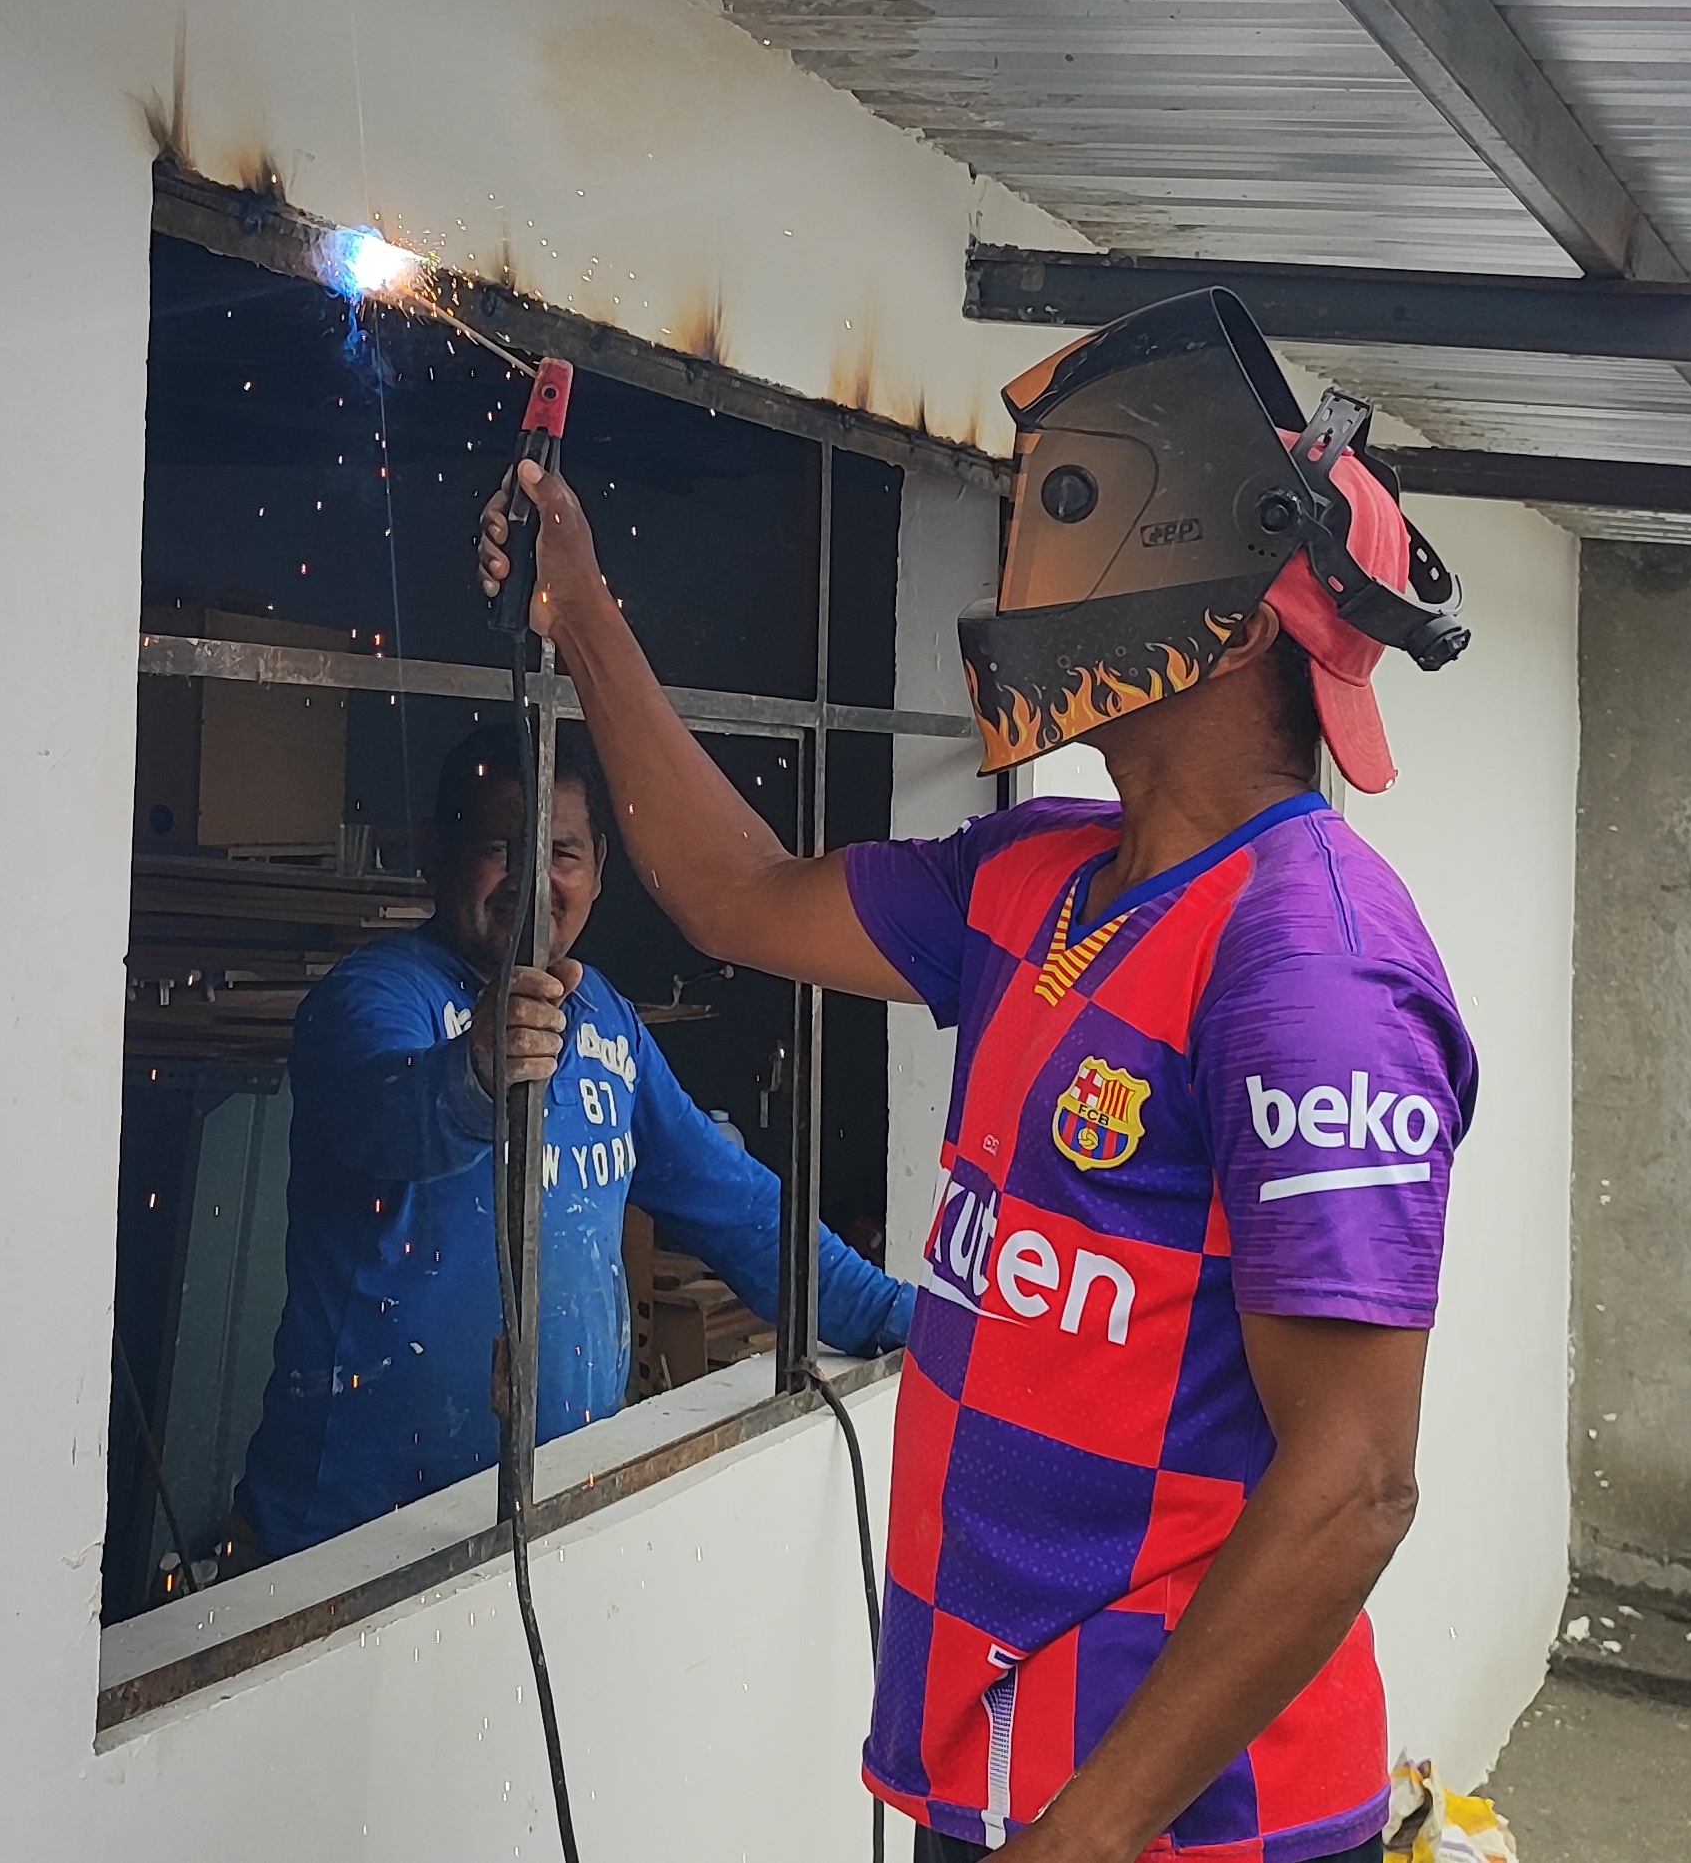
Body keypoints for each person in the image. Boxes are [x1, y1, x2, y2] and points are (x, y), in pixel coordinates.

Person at [483, 291, 1480, 1863]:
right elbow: (737, 894)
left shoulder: (1311, 970)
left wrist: (1079, 1841)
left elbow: (1356, 1482)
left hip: (1185, 1827)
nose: (1038, 578)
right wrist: (581, 608)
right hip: (1007, 1771)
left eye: (1090, 533)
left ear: (1230, 614)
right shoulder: (1036, 877)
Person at [233, 719, 910, 1560]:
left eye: (562, 853)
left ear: (598, 872)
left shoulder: (603, 1019)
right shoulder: (370, 998)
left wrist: (896, 1317)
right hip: (349, 1539)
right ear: (435, 856)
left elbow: (738, 1208)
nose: (534, 880)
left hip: (546, 1517)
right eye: (500, 848)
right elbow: (390, 1119)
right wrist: (475, 1077)